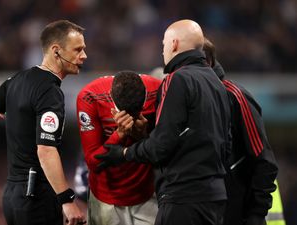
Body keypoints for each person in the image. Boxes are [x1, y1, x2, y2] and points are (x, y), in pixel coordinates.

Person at [95, 20, 231, 225]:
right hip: (215, 197)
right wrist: (146, 135)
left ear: (174, 44)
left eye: (163, 45)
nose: (162, 52)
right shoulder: (217, 83)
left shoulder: (176, 79)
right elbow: (222, 143)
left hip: (183, 198)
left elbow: (161, 146)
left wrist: (123, 154)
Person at [0, 20, 87, 225]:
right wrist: (67, 200)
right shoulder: (50, 91)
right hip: (36, 197)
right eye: (78, 50)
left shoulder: (16, 80)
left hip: (12, 195)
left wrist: (9, 112)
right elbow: (46, 150)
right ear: (56, 51)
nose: (83, 56)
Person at [203, 37, 278, 225]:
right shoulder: (186, 101)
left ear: (208, 62)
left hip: (238, 215)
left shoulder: (235, 96)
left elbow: (264, 160)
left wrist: (255, 214)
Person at [76, 70, 161, 225]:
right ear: (112, 99)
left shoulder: (157, 90)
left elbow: (164, 152)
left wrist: (141, 136)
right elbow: (93, 162)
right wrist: (119, 134)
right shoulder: (90, 97)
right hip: (106, 198)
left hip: (146, 194)